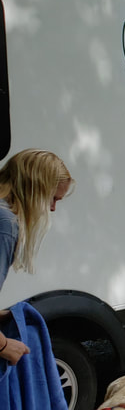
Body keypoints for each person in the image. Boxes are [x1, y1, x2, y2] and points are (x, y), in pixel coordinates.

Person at [0, 149, 73, 367]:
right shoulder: (6, 223)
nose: (51, 208)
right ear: (33, 189)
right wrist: (5, 346)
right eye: (52, 198)